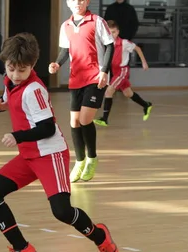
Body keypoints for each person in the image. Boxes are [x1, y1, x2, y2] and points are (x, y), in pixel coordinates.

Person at [0, 33, 119, 252]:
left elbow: (46, 128)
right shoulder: (11, 82)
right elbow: (3, 102)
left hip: (49, 154)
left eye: (21, 70)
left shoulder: (34, 90)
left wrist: (17, 136)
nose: (15, 75)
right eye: (11, 68)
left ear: (32, 66)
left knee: (62, 212)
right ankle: (22, 248)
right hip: (28, 155)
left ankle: (100, 237)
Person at [49, 0, 114, 183]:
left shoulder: (97, 21)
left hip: (95, 77)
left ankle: (92, 158)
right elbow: (65, 50)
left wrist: (104, 71)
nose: (77, 3)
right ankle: (79, 160)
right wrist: (57, 63)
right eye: (73, 0)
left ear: (87, 1)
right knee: (74, 122)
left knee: (85, 119)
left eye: (80, 0)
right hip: (76, 78)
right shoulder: (66, 26)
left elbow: (110, 45)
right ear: (68, 3)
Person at [94, 20, 152, 127]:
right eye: (110, 32)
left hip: (122, 71)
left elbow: (138, 49)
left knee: (108, 92)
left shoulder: (124, 43)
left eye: (114, 32)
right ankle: (146, 105)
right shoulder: (106, 44)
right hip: (114, 71)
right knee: (128, 93)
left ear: (118, 32)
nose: (112, 34)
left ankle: (104, 119)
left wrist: (144, 62)